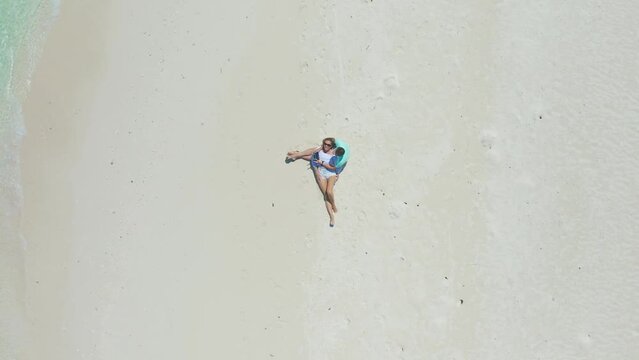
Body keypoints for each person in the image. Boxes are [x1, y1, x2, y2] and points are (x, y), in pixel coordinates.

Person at [286, 137, 347, 227]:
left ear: (332, 146)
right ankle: (332, 217)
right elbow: (312, 160)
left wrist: (338, 173)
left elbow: (340, 163)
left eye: (328, 145)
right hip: (321, 173)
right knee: (326, 195)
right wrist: (316, 172)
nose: (326, 146)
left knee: (329, 191)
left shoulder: (335, 152)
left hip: (331, 174)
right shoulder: (320, 150)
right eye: (324, 143)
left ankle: (333, 204)